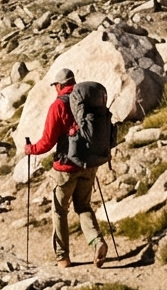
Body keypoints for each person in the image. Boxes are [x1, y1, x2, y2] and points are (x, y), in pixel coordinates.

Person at [23, 70, 112, 266]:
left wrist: (31, 149)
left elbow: (47, 141)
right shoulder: (88, 101)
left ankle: (63, 257)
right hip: (90, 164)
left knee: (59, 210)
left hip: (66, 168)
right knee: (83, 206)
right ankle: (97, 241)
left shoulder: (58, 106)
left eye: (55, 86)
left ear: (59, 85)